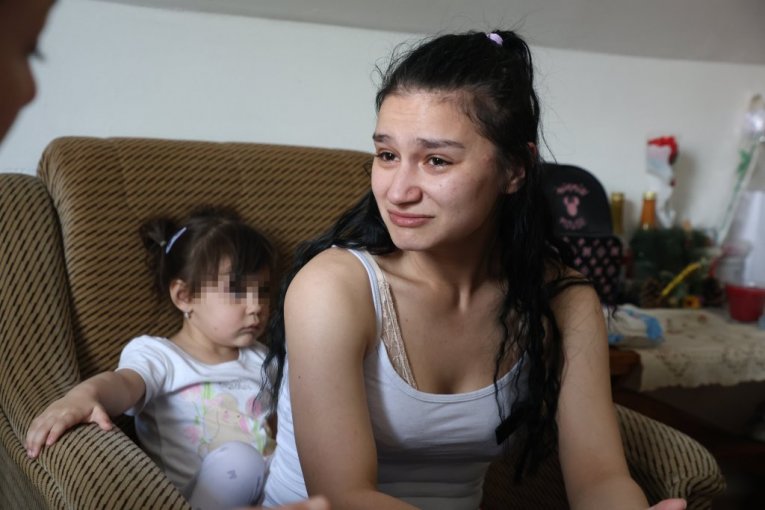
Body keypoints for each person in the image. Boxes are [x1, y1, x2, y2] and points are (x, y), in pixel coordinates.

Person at [261, 30, 687, 510]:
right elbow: (344, 497)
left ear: (515, 169)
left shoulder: (564, 300)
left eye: (436, 160)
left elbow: (600, 479)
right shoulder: (333, 288)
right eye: (387, 155)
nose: (397, 192)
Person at [26, 206, 277, 509]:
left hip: (273, 494)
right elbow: (122, 385)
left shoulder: (264, 358)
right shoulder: (161, 356)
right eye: (237, 291)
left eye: (263, 291)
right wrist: (84, 396)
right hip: (199, 498)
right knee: (241, 460)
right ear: (184, 296)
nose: (256, 306)